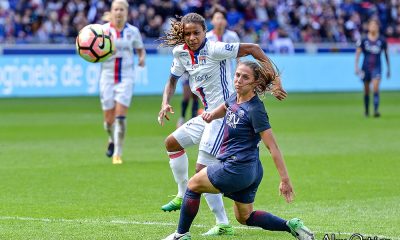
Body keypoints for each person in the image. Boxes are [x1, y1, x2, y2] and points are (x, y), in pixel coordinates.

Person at [157, 13, 287, 236]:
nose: (191, 37)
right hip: (207, 114)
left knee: (201, 173)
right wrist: (165, 103)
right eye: (187, 33)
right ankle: (182, 194)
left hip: (225, 115)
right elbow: (171, 80)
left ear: (204, 32)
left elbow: (254, 49)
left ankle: (219, 223)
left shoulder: (216, 49)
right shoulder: (180, 53)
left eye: (196, 33)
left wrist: (275, 80)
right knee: (171, 143)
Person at [162, 60, 314, 240]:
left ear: (255, 83)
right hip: (251, 170)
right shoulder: (236, 96)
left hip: (236, 168)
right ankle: (291, 226)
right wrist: (210, 115)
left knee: (193, 186)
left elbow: (272, 146)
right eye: (237, 75)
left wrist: (285, 180)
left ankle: (181, 235)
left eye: (245, 77)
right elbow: (225, 107)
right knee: (245, 217)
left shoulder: (255, 109)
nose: (239, 80)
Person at [100, 0, 146, 164]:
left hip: (126, 77)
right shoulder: (103, 30)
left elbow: (140, 50)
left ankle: (117, 154)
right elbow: (94, 51)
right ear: (111, 12)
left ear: (126, 12)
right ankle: (111, 139)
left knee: (120, 117)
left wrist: (141, 58)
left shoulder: (133, 31)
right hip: (107, 76)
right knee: (108, 122)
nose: (118, 12)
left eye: (121, 9)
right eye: (116, 9)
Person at [355, 19, 390, 117]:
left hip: (377, 67)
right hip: (365, 67)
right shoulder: (363, 40)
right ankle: (366, 111)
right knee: (366, 90)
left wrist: (388, 69)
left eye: (375, 25)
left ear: (377, 27)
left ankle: (376, 110)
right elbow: (358, 53)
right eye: (372, 25)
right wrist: (356, 67)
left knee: (375, 88)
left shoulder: (382, 40)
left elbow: (386, 54)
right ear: (369, 27)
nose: (373, 27)